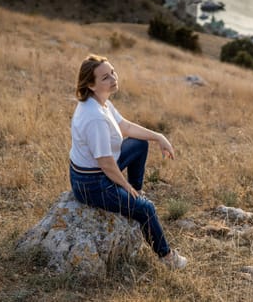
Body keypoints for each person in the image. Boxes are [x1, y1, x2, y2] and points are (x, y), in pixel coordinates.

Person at [69, 54, 187, 270]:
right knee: (147, 210)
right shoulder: (94, 116)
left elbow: (126, 128)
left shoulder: (102, 102)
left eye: (112, 72)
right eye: (105, 77)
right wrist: (125, 186)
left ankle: (136, 194)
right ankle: (167, 257)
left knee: (140, 143)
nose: (113, 78)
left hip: (96, 172)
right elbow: (105, 163)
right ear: (90, 84)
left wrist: (159, 136)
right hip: (91, 184)